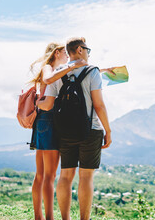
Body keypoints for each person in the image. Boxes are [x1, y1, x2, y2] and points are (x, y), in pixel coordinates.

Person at [39, 37, 112, 220]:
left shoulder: (57, 73)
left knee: (65, 176)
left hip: (64, 131)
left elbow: (48, 104)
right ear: (79, 49)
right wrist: (108, 131)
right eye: (87, 49)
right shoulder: (92, 71)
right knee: (86, 177)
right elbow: (99, 106)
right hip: (91, 130)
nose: (88, 53)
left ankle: (65, 218)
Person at [30, 42, 88, 220]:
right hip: (50, 120)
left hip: (41, 122)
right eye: (65, 52)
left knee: (40, 175)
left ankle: (39, 216)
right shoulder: (49, 69)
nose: (67, 56)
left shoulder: (60, 71)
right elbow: (48, 101)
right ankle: (48, 217)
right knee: (49, 176)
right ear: (57, 53)